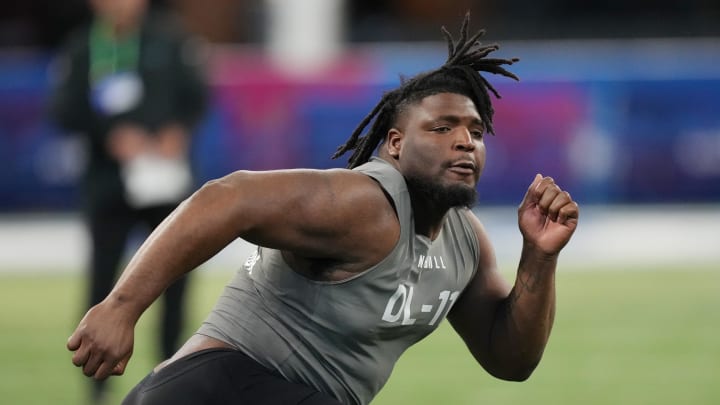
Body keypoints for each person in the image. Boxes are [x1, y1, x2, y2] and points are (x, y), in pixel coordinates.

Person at [66, 14, 579, 405]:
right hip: (220, 387)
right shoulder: (366, 204)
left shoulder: (464, 241)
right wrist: (121, 307)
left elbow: (510, 360)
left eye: (474, 131)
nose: (465, 142)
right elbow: (230, 196)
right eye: (441, 128)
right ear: (395, 144)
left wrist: (539, 256)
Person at [49, 0, 208, 403]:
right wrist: (110, 135)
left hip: (165, 182)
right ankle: (97, 384)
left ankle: (173, 374)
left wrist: (178, 130)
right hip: (108, 183)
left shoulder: (171, 39)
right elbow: (64, 109)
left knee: (175, 279)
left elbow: (197, 96)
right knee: (103, 280)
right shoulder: (82, 46)